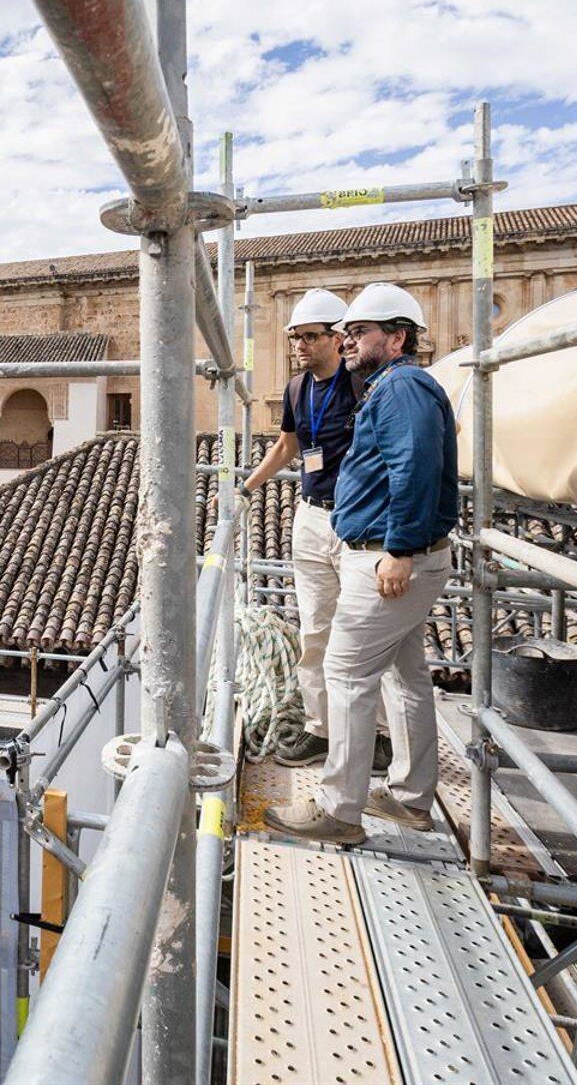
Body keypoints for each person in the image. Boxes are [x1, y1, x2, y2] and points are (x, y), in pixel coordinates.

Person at [264, 282, 459, 846]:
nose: (348, 341)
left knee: (346, 674)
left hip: (387, 559)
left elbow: (415, 469)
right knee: (407, 677)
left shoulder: (402, 389)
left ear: (397, 338)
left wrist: (398, 550)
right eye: (345, 332)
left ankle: (340, 811)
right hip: (391, 555)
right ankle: (410, 799)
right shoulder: (395, 387)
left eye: (360, 332)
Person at [244, 288, 390, 772]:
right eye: (296, 338)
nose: (301, 346)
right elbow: (287, 446)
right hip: (310, 515)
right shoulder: (295, 389)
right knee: (316, 629)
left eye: (310, 337)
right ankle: (320, 729)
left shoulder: (362, 385)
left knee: (366, 632)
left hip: (359, 521)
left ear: (336, 338)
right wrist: (246, 487)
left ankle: (380, 736)